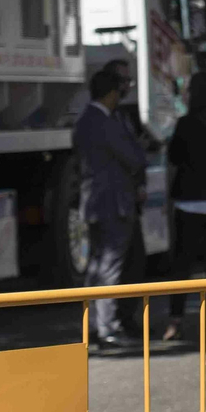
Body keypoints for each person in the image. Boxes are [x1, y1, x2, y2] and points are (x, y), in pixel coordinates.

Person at [74, 62, 147, 348]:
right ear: (112, 92)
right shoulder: (106, 122)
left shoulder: (85, 120)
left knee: (94, 267)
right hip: (114, 203)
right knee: (109, 269)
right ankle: (107, 328)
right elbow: (134, 157)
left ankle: (92, 324)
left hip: (93, 203)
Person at [164, 70, 206, 341]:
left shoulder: (185, 124)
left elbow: (174, 157)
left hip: (190, 202)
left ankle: (176, 319)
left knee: (182, 265)